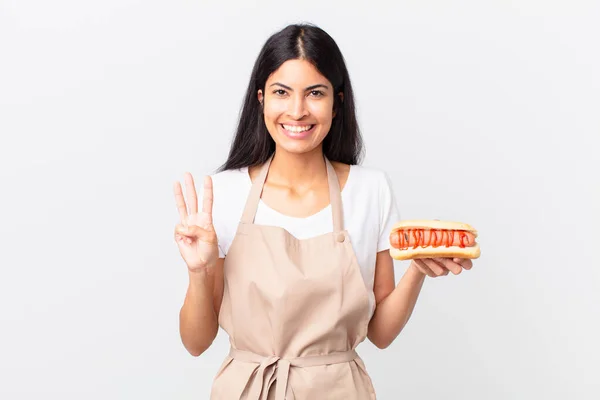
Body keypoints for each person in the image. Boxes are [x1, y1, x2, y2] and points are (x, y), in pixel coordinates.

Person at [172, 23, 474, 399]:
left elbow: (380, 334)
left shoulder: (371, 190)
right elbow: (196, 342)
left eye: (315, 93)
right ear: (261, 99)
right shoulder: (223, 194)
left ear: (338, 101)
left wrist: (416, 269)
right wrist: (199, 272)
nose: (297, 111)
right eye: (282, 92)